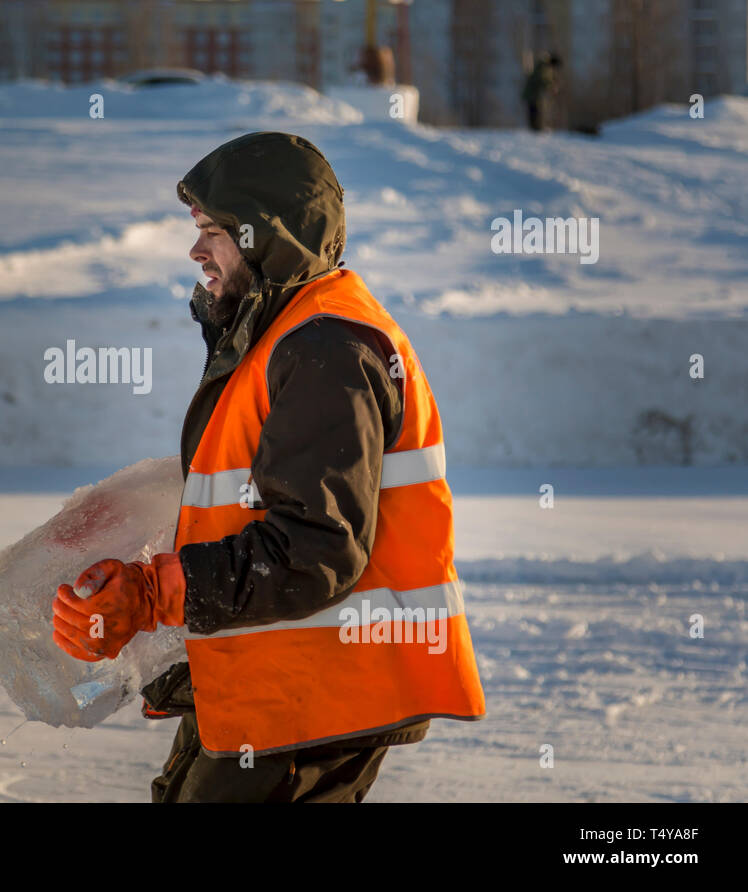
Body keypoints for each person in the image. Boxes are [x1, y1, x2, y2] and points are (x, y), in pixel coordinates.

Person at [51, 131, 486, 803]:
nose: (196, 251)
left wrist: (153, 593)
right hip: (275, 681)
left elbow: (314, 550)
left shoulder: (327, 348)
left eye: (215, 231)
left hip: (316, 695)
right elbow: (249, 506)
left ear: (268, 235)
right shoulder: (282, 337)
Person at [523, 52, 561, 131]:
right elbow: (541, 79)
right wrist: (551, 86)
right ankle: (535, 128)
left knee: (537, 110)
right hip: (533, 93)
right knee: (535, 111)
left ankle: (536, 127)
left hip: (535, 94)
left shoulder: (545, 66)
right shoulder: (544, 67)